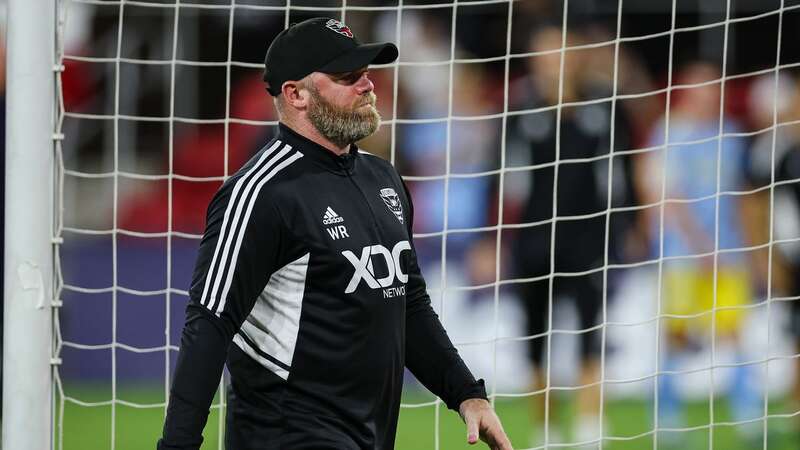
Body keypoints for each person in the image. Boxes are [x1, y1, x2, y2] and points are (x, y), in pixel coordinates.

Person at [156, 17, 511, 450]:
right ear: (295, 94)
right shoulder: (260, 193)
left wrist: (466, 394)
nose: (367, 85)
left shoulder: (383, 179)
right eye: (347, 76)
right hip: (286, 435)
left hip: (368, 436)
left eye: (365, 73)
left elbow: (408, 302)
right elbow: (209, 324)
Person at [635, 61, 760, 446]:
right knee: (676, 332)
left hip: (730, 251)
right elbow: (664, 196)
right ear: (687, 90)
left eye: (714, 87)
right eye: (701, 86)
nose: (709, 94)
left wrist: (750, 249)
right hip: (682, 253)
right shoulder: (670, 132)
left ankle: (748, 415)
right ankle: (667, 415)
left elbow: (743, 195)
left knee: (733, 331)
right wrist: (700, 245)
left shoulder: (732, 135)